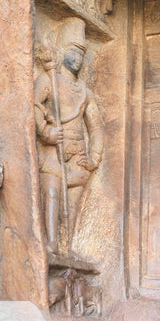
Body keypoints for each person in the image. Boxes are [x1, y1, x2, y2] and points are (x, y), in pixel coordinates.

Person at [35, 17, 104, 255]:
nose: (79, 58)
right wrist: (45, 132)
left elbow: (95, 128)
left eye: (83, 54)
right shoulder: (48, 80)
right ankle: (51, 242)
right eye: (74, 51)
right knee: (52, 194)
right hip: (53, 151)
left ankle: (67, 245)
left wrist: (94, 158)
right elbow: (33, 106)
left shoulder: (85, 93)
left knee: (72, 207)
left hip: (77, 155)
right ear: (62, 50)